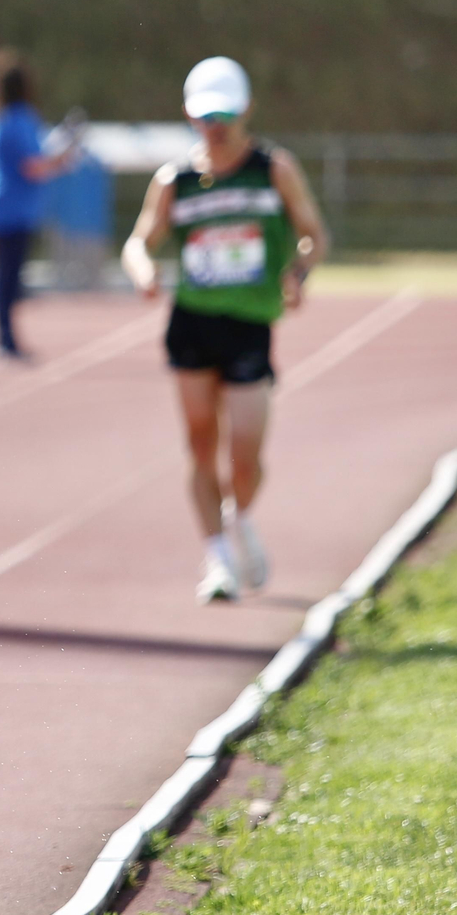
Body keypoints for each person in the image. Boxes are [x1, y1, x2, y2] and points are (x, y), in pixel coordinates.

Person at [122, 56, 329, 602]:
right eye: (205, 116)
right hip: (192, 322)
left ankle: (239, 517)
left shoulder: (274, 169)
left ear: (246, 111)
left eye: (225, 115)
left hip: (249, 325)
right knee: (199, 445)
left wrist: (299, 273)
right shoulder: (176, 180)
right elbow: (141, 239)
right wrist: (143, 271)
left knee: (245, 454)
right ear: (191, 118)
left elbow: (314, 234)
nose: (215, 126)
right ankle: (216, 558)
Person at [0, 59, 79, 361]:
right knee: (8, 276)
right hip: (13, 206)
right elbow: (33, 166)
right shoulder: (20, 119)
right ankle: (5, 338)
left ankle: (5, 335)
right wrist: (62, 160)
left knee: (5, 274)